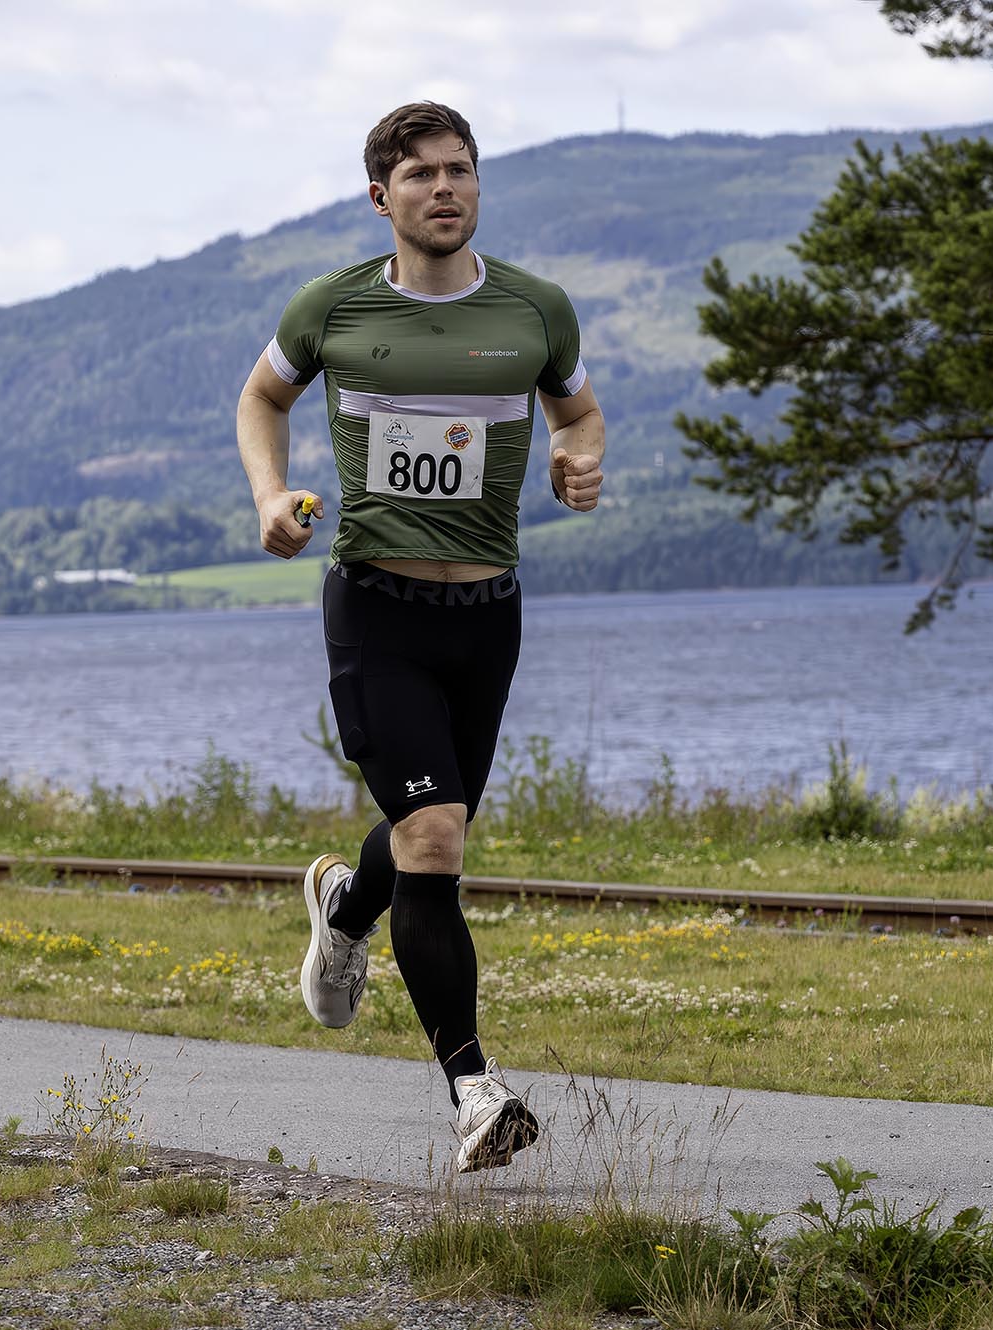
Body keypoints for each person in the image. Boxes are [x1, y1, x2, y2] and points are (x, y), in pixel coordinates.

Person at [234, 101, 604, 1173]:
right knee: (434, 836)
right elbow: (262, 397)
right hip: (376, 610)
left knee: (419, 833)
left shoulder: (536, 310)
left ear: (476, 186)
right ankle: (475, 1093)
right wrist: (268, 494)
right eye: (420, 176)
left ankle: (346, 909)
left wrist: (577, 459)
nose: (443, 189)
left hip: (488, 615)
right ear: (379, 197)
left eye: (460, 172)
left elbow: (577, 413)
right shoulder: (333, 306)